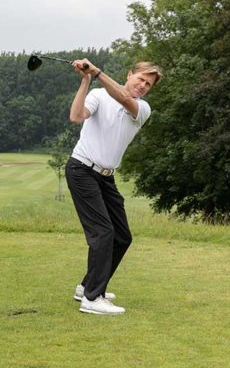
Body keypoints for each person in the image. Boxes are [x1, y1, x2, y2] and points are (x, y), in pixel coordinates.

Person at [66, 59, 163, 315]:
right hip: (82, 170)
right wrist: (86, 80)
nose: (142, 86)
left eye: (148, 84)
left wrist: (96, 72)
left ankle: (87, 286)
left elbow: (122, 98)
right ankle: (92, 298)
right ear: (129, 74)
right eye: (140, 79)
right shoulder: (98, 95)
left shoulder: (142, 109)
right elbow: (76, 117)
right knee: (103, 232)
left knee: (122, 236)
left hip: (106, 178)